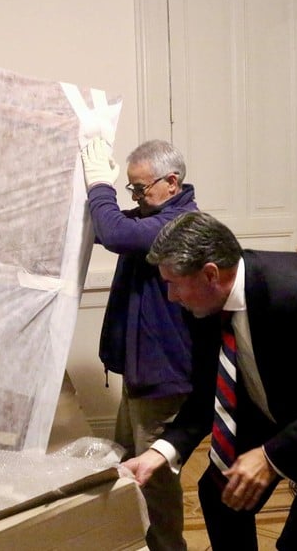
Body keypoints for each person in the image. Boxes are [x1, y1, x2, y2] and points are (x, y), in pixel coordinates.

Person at [123, 211, 297, 550]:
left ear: (210, 274)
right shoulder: (205, 305)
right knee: (219, 494)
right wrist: (160, 452)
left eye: (174, 283)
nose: (171, 296)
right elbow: (208, 391)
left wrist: (269, 457)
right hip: (277, 419)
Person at [81, 137, 197, 551]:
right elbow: (102, 228)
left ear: (172, 182)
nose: (135, 196)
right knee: (127, 460)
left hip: (162, 375)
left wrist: (99, 185)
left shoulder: (178, 225)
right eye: (130, 189)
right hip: (141, 370)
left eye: (140, 188)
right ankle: (137, 541)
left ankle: (168, 548)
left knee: (156, 480)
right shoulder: (152, 216)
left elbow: (114, 233)